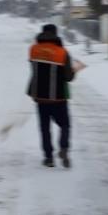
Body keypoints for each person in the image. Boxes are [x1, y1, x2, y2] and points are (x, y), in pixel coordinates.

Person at [28, 23, 75, 167]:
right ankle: (64, 148)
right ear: (55, 34)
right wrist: (73, 70)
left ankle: (48, 158)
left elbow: (36, 70)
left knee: (44, 127)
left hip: (40, 97)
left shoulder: (33, 50)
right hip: (58, 97)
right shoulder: (62, 52)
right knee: (65, 125)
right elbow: (68, 77)